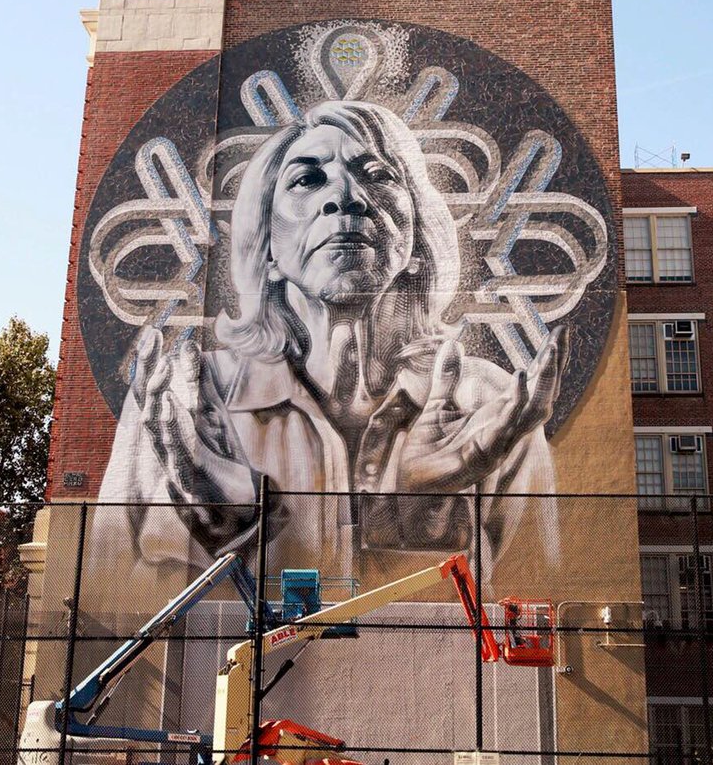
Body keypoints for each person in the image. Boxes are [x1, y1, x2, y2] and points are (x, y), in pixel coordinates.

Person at [94, 99, 564, 580]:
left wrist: (415, 520)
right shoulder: (186, 401)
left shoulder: (493, 406)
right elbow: (105, 602)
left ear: (417, 243)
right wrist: (233, 534)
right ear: (268, 249)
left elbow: (538, 598)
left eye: (378, 175)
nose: (346, 197)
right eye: (307, 179)